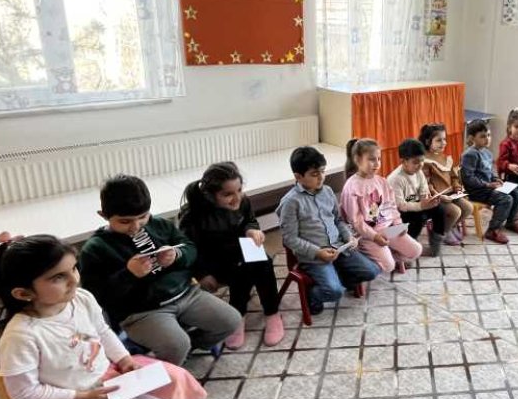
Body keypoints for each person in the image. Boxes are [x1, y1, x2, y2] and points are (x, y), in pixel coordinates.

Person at [0, 234, 206, 399]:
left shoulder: (81, 298)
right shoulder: (21, 335)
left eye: (73, 268)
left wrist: (124, 360)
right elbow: (23, 392)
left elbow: (103, 332)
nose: (74, 279)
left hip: (106, 376)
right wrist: (84, 397)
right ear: (23, 293)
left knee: (176, 378)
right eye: (58, 277)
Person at [79, 175, 241, 365]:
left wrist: (176, 254)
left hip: (187, 294)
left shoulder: (160, 225)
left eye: (142, 217)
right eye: (125, 221)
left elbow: (190, 248)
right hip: (142, 312)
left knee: (231, 321)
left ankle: (190, 347)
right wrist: (129, 275)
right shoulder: (95, 248)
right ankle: (167, 362)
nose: (135, 226)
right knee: (176, 345)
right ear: (104, 215)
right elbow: (95, 297)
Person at [178, 162, 284, 348]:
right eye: (227, 194)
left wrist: (251, 230)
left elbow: (250, 221)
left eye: (239, 190)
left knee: (263, 262)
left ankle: (272, 313)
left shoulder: (243, 201)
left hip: (238, 251)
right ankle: (237, 315)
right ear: (210, 195)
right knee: (242, 269)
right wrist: (202, 274)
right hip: (212, 261)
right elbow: (188, 249)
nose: (237, 198)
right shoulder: (193, 215)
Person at [276, 146, 381, 315]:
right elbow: (290, 239)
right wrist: (318, 252)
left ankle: (340, 277)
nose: (321, 177)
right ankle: (312, 296)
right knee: (334, 292)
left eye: (322, 171)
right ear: (298, 176)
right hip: (314, 258)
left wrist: (348, 237)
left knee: (372, 271)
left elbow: (337, 220)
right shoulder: (291, 202)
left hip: (340, 248)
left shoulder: (327, 191)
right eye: (314, 174)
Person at [341, 138, 424, 274]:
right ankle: (368, 257)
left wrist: (398, 224)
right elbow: (356, 222)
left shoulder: (381, 181)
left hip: (388, 229)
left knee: (416, 250)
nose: (377, 164)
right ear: (357, 159)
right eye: (371, 159)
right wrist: (375, 237)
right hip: (366, 235)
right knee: (388, 266)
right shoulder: (352, 187)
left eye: (379, 159)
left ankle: (388, 255)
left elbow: (391, 206)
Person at [461, 119, 518, 244]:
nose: (487, 139)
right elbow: (468, 178)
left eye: (489, 135)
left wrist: (495, 179)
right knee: (506, 199)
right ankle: (492, 230)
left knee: (516, 192)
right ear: (472, 138)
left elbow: (489, 171)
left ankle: (511, 222)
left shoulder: (487, 153)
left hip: (488, 188)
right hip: (477, 192)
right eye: (483, 136)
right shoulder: (470, 154)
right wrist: (488, 184)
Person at [388, 138, 447, 257]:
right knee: (418, 217)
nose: (420, 165)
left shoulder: (418, 172)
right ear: (404, 161)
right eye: (415, 162)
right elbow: (400, 205)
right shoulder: (396, 179)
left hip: (416, 205)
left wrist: (429, 200)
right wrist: (422, 205)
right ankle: (406, 249)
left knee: (440, 209)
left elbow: (423, 190)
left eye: (422, 161)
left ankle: (434, 246)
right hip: (396, 214)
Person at [419, 122, 473, 245]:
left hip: (450, 194)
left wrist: (457, 187)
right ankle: (440, 232)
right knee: (455, 211)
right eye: (439, 140)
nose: (443, 143)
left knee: (468, 208)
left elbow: (454, 177)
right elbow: (426, 184)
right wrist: (439, 195)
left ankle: (450, 226)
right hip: (435, 197)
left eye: (444, 139)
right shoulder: (425, 161)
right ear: (427, 142)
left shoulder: (445, 158)